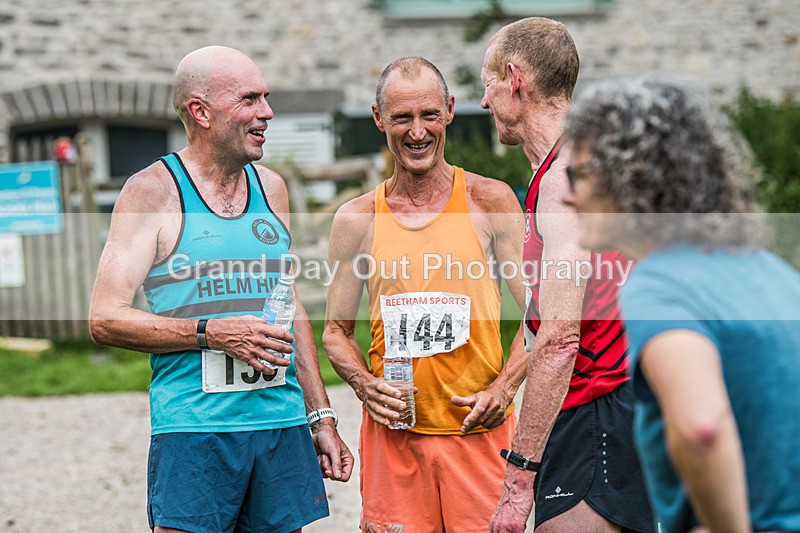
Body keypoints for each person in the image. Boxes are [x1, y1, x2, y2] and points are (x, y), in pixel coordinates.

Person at [89, 45, 353, 533]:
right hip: (195, 431)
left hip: (279, 425)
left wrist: (321, 416)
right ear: (200, 111)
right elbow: (105, 317)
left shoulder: (271, 187)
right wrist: (212, 332)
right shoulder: (152, 192)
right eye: (249, 99)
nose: (266, 112)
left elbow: (288, 305)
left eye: (265, 98)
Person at [562, 76, 800, 533]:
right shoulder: (772, 272)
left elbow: (701, 429)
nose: (568, 195)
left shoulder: (660, 284)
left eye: (580, 174)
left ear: (631, 175)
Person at [322, 57, 528, 533]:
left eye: (429, 115)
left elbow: (538, 315)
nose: (417, 132)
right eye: (401, 118)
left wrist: (503, 388)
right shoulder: (357, 219)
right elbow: (335, 332)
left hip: (476, 434)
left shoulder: (490, 201)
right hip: (394, 440)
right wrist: (364, 385)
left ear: (450, 111)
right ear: (378, 118)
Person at [481, 18, 654, 533]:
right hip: (623, 405)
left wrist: (517, 484)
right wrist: (506, 385)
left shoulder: (565, 180)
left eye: (485, 83)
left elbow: (559, 338)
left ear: (515, 79)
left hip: (597, 410)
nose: (484, 102)